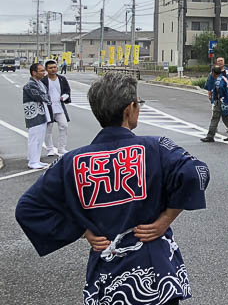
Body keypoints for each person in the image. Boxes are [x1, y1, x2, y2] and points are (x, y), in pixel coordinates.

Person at [15, 72, 210, 305]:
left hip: (107, 273)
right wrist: (165, 219)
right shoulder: (157, 147)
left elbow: (27, 208)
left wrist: (81, 229)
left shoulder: (71, 161)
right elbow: (197, 172)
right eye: (138, 103)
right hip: (154, 272)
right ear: (129, 109)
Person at [22, 62, 50, 169]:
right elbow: (40, 96)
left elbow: (46, 96)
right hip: (34, 114)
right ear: (34, 72)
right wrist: (47, 98)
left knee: (40, 138)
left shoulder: (40, 83)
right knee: (34, 138)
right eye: (41, 71)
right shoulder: (30, 85)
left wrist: (46, 98)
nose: (44, 73)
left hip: (41, 112)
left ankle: (36, 160)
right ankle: (32, 161)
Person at [42, 59, 72, 157]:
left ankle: (61, 148)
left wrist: (65, 97)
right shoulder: (43, 80)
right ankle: (50, 149)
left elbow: (67, 91)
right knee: (48, 129)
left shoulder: (62, 79)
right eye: (50, 68)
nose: (53, 69)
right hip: (48, 107)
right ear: (46, 69)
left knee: (64, 126)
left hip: (59, 106)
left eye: (54, 67)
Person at [200, 66, 228, 142]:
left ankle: (210, 136)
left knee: (215, 118)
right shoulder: (224, 78)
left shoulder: (218, 80)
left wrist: (218, 97)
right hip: (227, 101)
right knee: (226, 117)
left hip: (220, 101)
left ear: (214, 73)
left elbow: (220, 89)